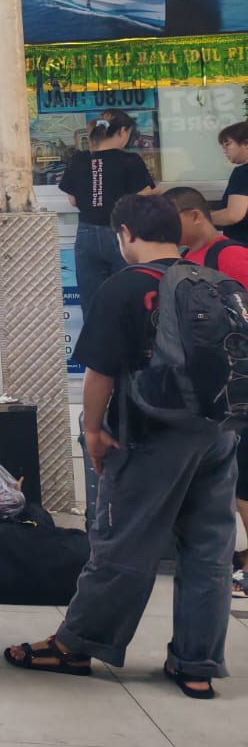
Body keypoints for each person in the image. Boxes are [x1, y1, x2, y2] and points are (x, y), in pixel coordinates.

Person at [4, 194, 240, 699]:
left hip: (151, 435)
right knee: (209, 550)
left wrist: (92, 431)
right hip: (217, 434)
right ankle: (196, 664)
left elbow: (100, 373)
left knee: (123, 542)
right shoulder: (217, 283)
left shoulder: (126, 286)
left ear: (126, 234)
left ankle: (77, 645)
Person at [167, 186, 248, 600]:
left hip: (238, 389)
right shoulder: (185, 261)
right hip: (212, 394)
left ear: (196, 215)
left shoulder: (228, 255)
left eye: (173, 217)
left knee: (245, 481)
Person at [58, 110, 157, 306]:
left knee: (92, 302)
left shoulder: (79, 159)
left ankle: (94, 336)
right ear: (122, 131)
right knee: (125, 300)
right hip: (122, 234)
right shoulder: (130, 161)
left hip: (86, 234)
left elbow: (73, 200)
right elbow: (143, 194)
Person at [212, 121, 248, 243]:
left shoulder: (243, 172)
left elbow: (233, 215)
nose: (225, 151)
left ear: (246, 143)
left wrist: (204, 218)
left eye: (227, 144)